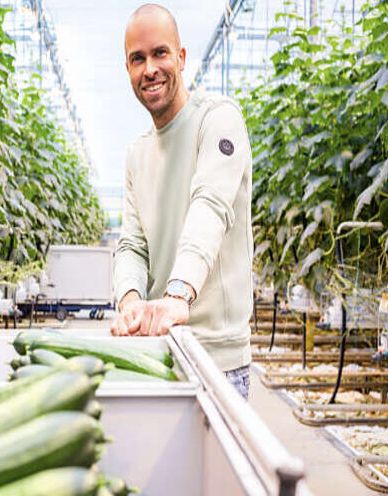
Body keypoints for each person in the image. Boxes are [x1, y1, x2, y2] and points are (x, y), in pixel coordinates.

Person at [111, 3, 254, 399]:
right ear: (128, 70)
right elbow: (132, 246)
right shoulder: (137, 154)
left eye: (160, 53)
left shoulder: (218, 120)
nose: (150, 69)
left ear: (181, 57)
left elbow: (210, 206)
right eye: (137, 59)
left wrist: (178, 295)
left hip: (218, 364)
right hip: (159, 354)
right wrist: (130, 299)